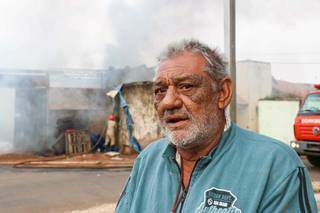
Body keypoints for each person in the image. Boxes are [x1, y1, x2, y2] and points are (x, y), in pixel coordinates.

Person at [116, 39, 317, 212]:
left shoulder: (276, 165)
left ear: (222, 93)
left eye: (186, 86)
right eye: (160, 90)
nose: (168, 102)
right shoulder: (147, 161)